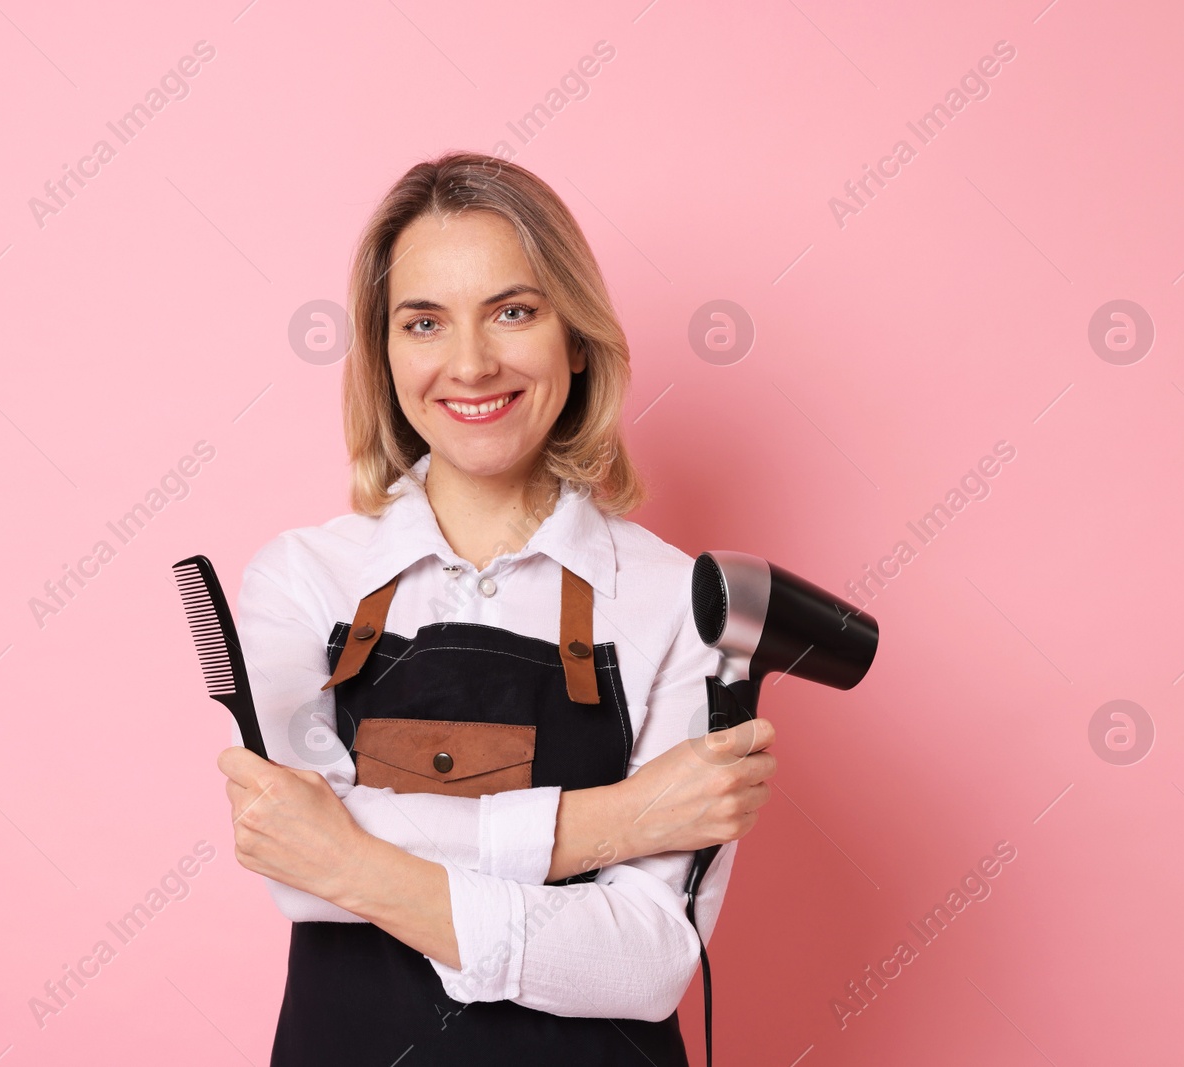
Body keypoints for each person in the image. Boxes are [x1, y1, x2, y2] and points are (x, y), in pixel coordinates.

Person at [217, 150, 778, 1066]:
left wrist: (353, 856)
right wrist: (621, 820)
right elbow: (292, 862)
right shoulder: (301, 579)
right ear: (385, 351)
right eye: (425, 321)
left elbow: (643, 963)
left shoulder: (682, 603)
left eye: (513, 312)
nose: (470, 364)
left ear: (577, 339)